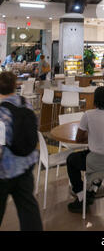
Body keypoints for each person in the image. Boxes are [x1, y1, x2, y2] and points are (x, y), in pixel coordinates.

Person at [67, 87, 104, 213]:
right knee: (98, 150)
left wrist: (91, 132)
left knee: (71, 160)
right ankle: (92, 189)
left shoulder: (88, 115)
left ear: (95, 100)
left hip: (96, 160)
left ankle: (81, 196)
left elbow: (78, 138)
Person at [0, 72, 43, 230]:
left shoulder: (2, 112)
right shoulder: (26, 104)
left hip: (5, 172)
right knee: (29, 211)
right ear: (15, 85)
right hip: (26, 166)